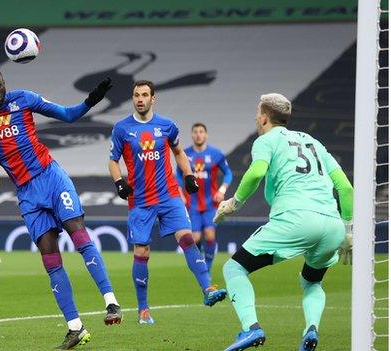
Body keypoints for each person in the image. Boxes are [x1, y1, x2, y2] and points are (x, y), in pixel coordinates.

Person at [0, 67, 123, 350]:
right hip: (26, 193)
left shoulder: (24, 99)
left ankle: (111, 302)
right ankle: (75, 327)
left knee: (80, 237)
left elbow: (68, 114)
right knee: (50, 259)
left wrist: (92, 99)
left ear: (4, 83)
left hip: (51, 177)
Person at [214, 93, 353, 351]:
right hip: (332, 224)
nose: (256, 118)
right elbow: (345, 188)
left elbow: (256, 172)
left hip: (295, 219)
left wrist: (234, 203)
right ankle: (311, 330)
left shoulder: (266, 140)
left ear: (264, 117)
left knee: (234, 269)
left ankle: (251, 328)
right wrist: (347, 231)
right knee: (312, 281)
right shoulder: (313, 142)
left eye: (257, 113)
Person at [108, 80, 228, 325]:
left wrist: (189, 175)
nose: (139, 99)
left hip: (168, 195)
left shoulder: (167, 125)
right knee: (142, 252)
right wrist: (119, 181)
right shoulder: (122, 128)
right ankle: (143, 309)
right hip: (140, 200)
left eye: (144, 95)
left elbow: (179, 152)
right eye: (135, 95)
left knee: (187, 239)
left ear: (153, 98)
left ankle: (208, 289)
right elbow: (113, 160)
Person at [176, 122, 232, 274]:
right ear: (192, 135)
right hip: (192, 203)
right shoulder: (185, 154)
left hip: (210, 203)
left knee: (209, 234)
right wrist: (181, 192)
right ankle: (201, 263)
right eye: (195, 132)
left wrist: (222, 190)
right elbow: (177, 174)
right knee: (195, 238)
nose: (198, 134)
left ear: (206, 135)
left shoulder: (216, 154)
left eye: (201, 132)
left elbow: (228, 173)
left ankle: (207, 267)